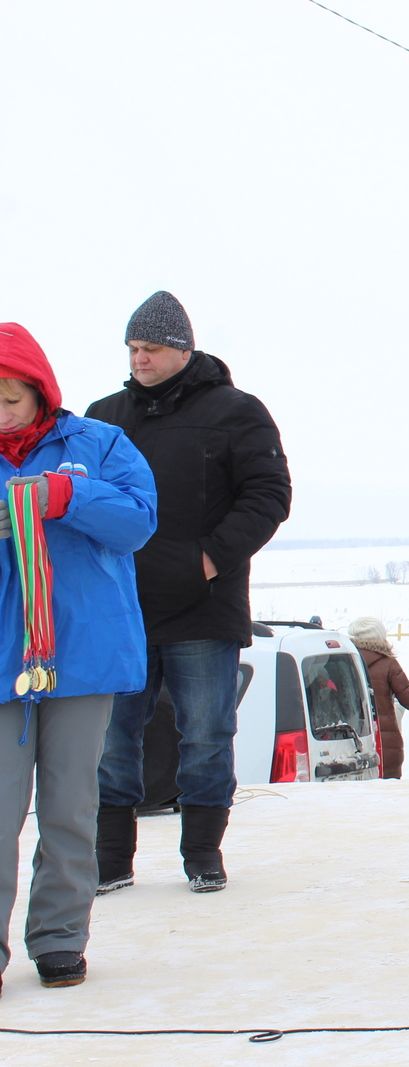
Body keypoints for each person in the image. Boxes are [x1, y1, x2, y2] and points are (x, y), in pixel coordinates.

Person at [88, 291, 292, 894]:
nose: (139, 359)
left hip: (204, 606)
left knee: (206, 734)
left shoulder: (237, 411)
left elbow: (268, 494)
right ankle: (111, 859)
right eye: (132, 348)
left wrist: (208, 559)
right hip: (120, 607)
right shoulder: (102, 417)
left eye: (150, 348)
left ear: (182, 349)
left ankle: (203, 850)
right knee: (111, 737)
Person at [0, 323, 156, 993]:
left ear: (39, 391)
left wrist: (68, 497)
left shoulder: (100, 443)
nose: (0, 414)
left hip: (82, 657)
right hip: (5, 662)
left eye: (9, 399)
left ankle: (61, 936)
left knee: (69, 803)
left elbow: (139, 520)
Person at [348, 616, 409, 779]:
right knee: (388, 794)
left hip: (349, 743)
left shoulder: (343, 662)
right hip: (385, 744)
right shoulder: (388, 663)